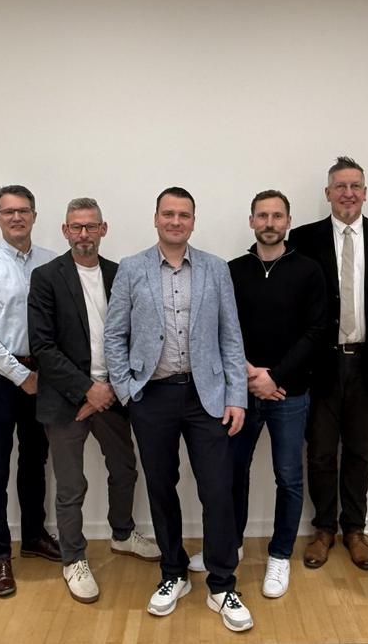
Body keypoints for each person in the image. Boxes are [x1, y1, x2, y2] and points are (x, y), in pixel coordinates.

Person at [103, 187, 253, 632]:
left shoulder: (215, 268)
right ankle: (173, 573)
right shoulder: (132, 269)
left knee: (217, 489)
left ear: (193, 221)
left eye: (183, 215)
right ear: (156, 218)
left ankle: (222, 583)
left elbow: (231, 337)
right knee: (161, 488)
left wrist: (236, 396)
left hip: (207, 396)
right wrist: (126, 390)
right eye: (168, 214)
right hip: (152, 396)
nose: (175, 221)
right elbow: (114, 335)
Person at [27, 197, 160, 605]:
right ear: (65, 231)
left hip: (113, 394)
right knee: (71, 485)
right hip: (66, 398)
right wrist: (87, 390)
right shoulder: (46, 277)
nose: (83, 233)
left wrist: (110, 389)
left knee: (125, 469)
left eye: (91, 226)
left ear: (104, 229)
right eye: (76, 226)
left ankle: (122, 534)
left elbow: (134, 337)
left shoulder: (120, 274)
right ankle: (74, 559)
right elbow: (43, 346)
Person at [289, 156, 368, 571]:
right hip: (320, 364)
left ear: (365, 193)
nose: (348, 193)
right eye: (340, 186)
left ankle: (355, 529)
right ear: (328, 193)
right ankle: (324, 529)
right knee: (320, 452)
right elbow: (295, 304)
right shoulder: (303, 238)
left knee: (359, 451)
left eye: (355, 186)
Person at [217, 189, 326, 598]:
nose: (269, 223)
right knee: (233, 472)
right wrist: (249, 374)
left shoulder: (309, 270)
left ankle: (280, 555)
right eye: (262, 216)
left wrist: (275, 376)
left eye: (277, 216)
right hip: (240, 392)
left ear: (288, 222)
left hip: (289, 393)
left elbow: (315, 332)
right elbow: (222, 328)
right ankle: (231, 547)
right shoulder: (232, 270)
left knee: (289, 478)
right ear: (251, 221)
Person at [0, 185, 60, 597]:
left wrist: (44, 374)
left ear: (34, 215)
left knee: (36, 459)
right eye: (8, 212)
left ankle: (34, 535)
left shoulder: (53, 262)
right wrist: (20, 374)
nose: (16, 218)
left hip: (44, 376)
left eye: (23, 210)